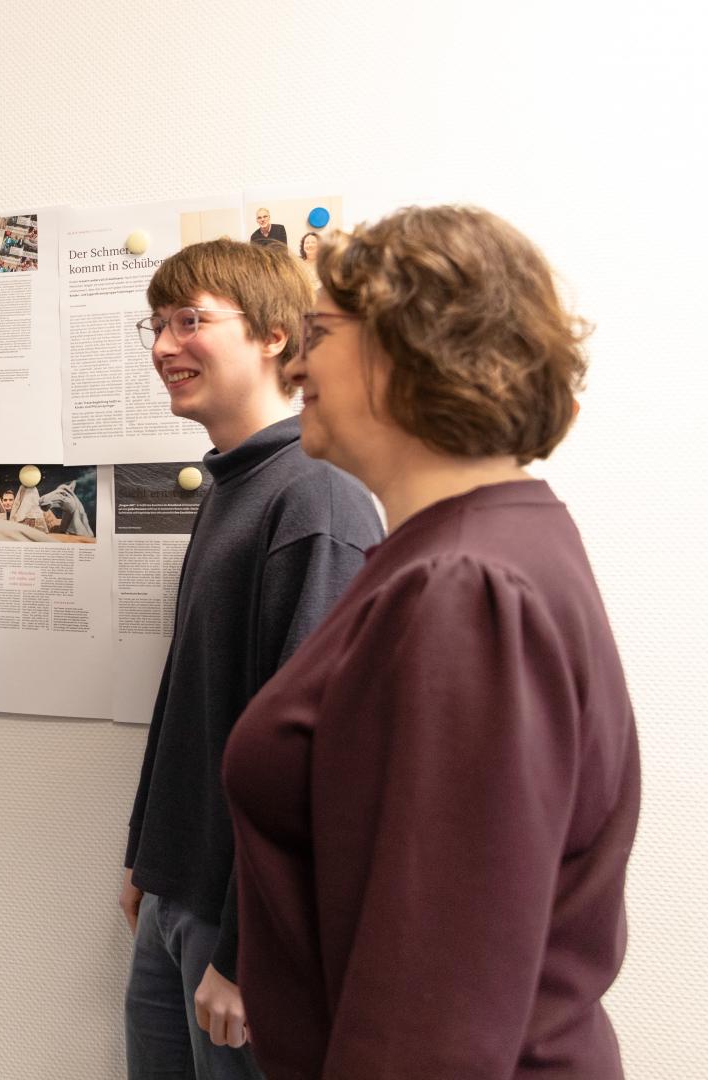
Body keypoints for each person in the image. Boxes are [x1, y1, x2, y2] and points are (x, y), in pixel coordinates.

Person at [225, 205, 640, 1078]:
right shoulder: (474, 551)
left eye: (321, 332)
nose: (296, 361)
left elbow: (430, 1020)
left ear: (411, 348)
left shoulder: (463, 589)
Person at [122, 239, 382, 1080]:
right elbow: (187, 697)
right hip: (177, 897)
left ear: (275, 334)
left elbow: (316, 755)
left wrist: (245, 948)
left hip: (240, 932)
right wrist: (144, 857)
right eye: (156, 325)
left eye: (190, 320)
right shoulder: (235, 484)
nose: (164, 346)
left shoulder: (318, 496)